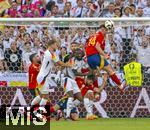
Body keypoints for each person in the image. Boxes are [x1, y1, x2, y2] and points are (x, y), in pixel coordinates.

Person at [31, 39, 72, 109]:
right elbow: (59, 63)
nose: (57, 46)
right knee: (45, 97)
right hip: (43, 77)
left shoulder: (48, 53)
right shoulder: (50, 54)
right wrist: (68, 65)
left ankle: (31, 109)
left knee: (41, 96)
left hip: (42, 77)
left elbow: (56, 64)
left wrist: (62, 66)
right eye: (56, 44)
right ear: (52, 45)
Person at [85, 24, 126, 93]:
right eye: (106, 30)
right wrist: (104, 55)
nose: (106, 32)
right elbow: (97, 46)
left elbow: (86, 46)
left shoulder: (92, 36)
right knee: (110, 70)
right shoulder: (100, 35)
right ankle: (120, 85)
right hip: (95, 57)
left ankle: (95, 90)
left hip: (89, 58)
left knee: (95, 74)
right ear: (103, 29)